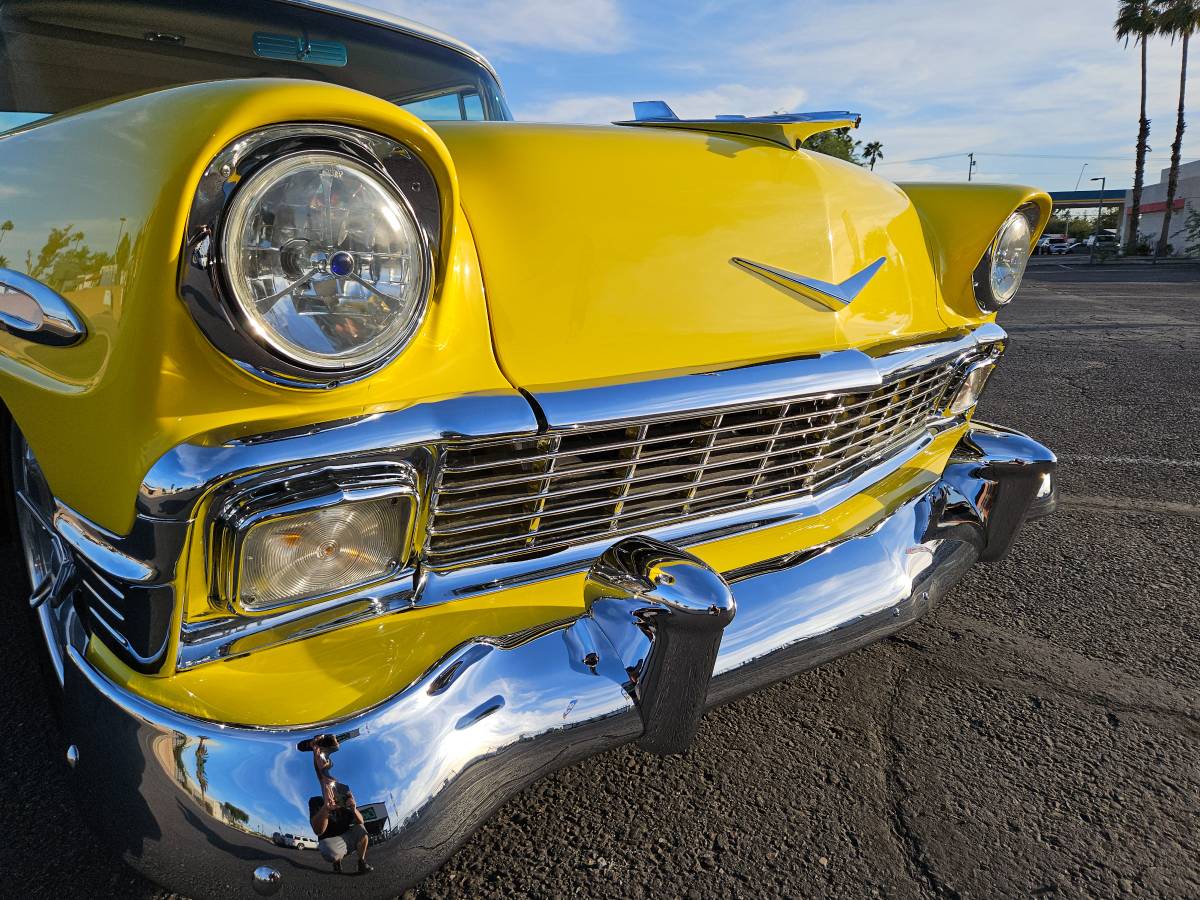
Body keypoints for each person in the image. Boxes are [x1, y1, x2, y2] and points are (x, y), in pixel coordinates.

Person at [308, 786, 373, 875]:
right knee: (330, 852)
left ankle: (361, 862)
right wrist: (326, 809)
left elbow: (361, 822)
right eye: (332, 788)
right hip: (329, 840)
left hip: (344, 838)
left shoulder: (345, 807)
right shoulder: (317, 801)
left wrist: (354, 809)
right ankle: (336, 861)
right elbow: (318, 830)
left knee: (361, 829)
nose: (336, 794)